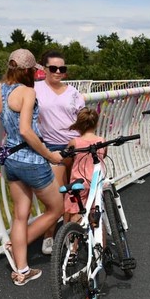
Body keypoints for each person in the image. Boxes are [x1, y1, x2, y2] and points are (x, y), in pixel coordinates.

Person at [0, 49, 64, 286]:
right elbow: (26, 130)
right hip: (32, 161)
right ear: (27, 71)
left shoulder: (2, 90)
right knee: (56, 209)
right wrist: (50, 155)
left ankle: (22, 270)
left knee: (20, 215)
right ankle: (18, 245)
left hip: (11, 161)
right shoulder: (27, 92)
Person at [34, 50, 85, 255]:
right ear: (44, 69)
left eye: (62, 69)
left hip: (75, 146)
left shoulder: (73, 92)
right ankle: (48, 235)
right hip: (52, 148)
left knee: (73, 195)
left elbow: (82, 118)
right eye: (53, 68)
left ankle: (66, 235)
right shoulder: (35, 89)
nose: (58, 72)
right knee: (56, 197)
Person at [63, 108, 105, 223]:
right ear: (96, 123)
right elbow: (104, 156)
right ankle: (99, 239)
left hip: (79, 182)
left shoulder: (74, 142)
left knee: (76, 214)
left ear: (79, 125)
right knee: (96, 220)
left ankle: (71, 238)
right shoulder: (101, 140)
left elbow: (67, 160)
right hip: (96, 182)